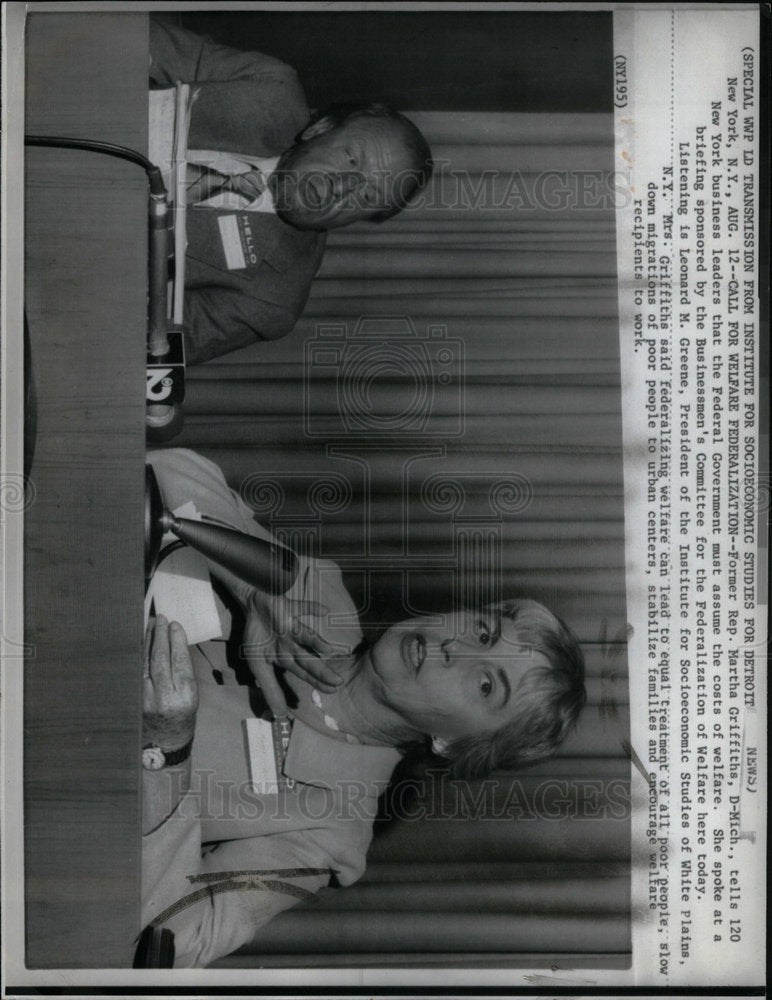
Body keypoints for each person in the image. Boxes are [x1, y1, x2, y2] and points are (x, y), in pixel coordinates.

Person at [141, 448, 586, 967]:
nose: (455, 647)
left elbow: (174, 941)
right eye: (484, 630)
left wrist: (165, 755)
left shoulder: (330, 834)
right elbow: (168, 469)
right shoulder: (321, 599)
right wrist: (250, 586)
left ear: (455, 745)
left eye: (486, 684)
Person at [149, 19, 433, 364]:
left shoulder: (271, 300)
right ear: (320, 128)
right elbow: (142, 43)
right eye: (351, 158)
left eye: (368, 196)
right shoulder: (270, 88)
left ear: (363, 219)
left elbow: (142, 349)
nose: (342, 187)